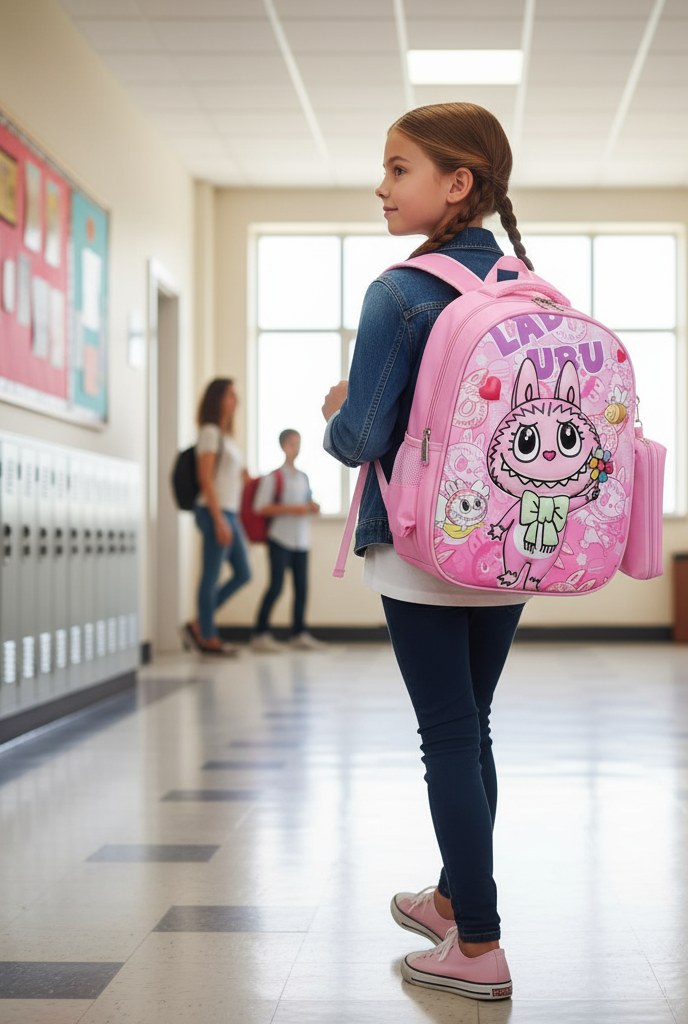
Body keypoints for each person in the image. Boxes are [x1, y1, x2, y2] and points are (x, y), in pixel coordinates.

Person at [321, 103, 530, 1001]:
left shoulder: (399, 292)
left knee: (445, 733)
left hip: (420, 548)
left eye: (399, 169)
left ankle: (477, 947)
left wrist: (338, 404)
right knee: (472, 727)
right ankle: (451, 897)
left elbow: (360, 435)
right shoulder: (526, 285)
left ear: (458, 184)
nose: (382, 185)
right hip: (510, 542)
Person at [182, 378, 251, 656]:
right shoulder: (209, 432)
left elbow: (228, 477)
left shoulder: (226, 436)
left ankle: (200, 623)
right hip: (215, 512)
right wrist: (219, 520)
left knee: (244, 573)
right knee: (211, 576)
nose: (236, 400)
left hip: (229, 511)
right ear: (217, 399)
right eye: (230, 395)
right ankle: (208, 636)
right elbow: (205, 480)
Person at [249, 429, 326, 652]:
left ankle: (299, 633)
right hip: (280, 538)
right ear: (283, 446)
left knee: (302, 588)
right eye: (292, 444)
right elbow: (260, 507)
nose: (296, 448)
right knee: (276, 586)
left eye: (298, 443)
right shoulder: (274, 477)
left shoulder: (303, 477)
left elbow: (307, 501)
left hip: (301, 540)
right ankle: (260, 633)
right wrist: (294, 509)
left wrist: (312, 507)